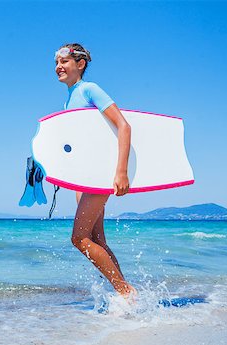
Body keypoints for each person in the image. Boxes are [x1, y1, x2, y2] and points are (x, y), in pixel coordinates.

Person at [54, 43, 137, 300]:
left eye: (64, 61)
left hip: (100, 175)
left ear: (80, 64)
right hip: (83, 178)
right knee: (96, 238)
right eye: (56, 62)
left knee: (78, 239)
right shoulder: (69, 98)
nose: (58, 66)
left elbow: (124, 126)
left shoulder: (89, 90)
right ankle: (127, 296)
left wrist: (121, 172)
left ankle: (125, 292)